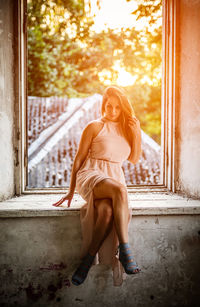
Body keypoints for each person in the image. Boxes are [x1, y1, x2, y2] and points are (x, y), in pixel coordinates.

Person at [52, 85, 142, 286]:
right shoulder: (94, 126)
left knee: (107, 212)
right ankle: (125, 250)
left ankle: (86, 261)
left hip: (113, 176)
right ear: (104, 105)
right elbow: (78, 159)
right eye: (108, 106)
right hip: (91, 174)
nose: (112, 111)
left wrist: (136, 132)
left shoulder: (129, 130)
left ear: (123, 108)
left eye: (117, 108)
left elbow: (134, 159)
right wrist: (70, 190)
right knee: (120, 190)